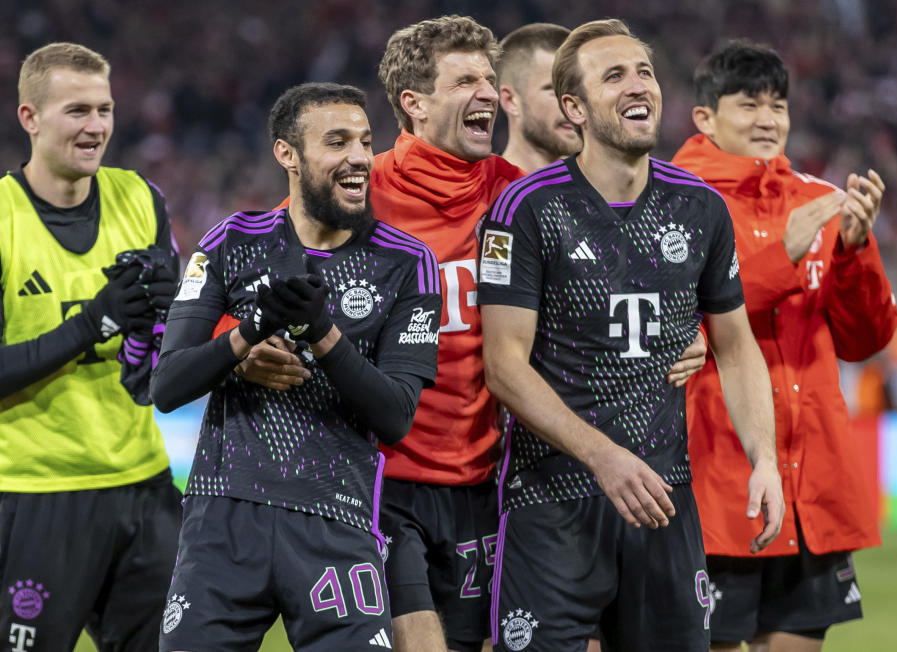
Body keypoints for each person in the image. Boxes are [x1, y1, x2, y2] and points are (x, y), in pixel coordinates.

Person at [248, 16, 705, 652]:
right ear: (415, 103)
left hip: (487, 481)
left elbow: (616, 297)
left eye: (490, 78)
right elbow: (248, 267)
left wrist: (684, 333)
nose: (488, 93)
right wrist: (244, 348)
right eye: (466, 80)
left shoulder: (519, 199)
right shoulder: (362, 191)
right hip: (381, 476)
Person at [478, 20, 785, 652]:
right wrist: (601, 456)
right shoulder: (526, 210)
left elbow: (736, 346)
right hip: (553, 500)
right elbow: (504, 366)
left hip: (664, 499)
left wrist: (766, 460)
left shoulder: (700, 208)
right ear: (575, 108)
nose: (637, 84)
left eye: (642, 71)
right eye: (613, 75)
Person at [151, 82, 441, 651]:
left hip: (337, 522)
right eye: (337, 142)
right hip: (224, 515)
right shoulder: (232, 240)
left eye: (364, 141)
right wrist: (246, 339)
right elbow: (168, 383)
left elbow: (396, 415)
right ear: (288, 154)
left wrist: (323, 333)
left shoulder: (408, 263)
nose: (359, 157)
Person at [673, 40, 897, 652]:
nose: (768, 119)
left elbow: (865, 339)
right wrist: (782, 259)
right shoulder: (671, 201)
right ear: (705, 117)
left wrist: (854, 252)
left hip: (813, 487)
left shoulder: (814, 200)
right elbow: (674, 330)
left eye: (778, 105)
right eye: (748, 105)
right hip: (717, 480)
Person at [0, 42, 180, 651]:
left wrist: (171, 309)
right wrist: (92, 325)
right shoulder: (1, 219)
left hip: (144, 486)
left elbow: (162, 354)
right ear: (30, 118)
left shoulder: (140, 198)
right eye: (77, 110)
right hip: (35, 496)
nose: (96, 127)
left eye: (104, 109)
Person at [498, 23, 581, 173]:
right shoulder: (485, 193)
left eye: (580, 90)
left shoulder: (606, 189)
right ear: (510, 100)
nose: (574, 105)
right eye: (555, 90)